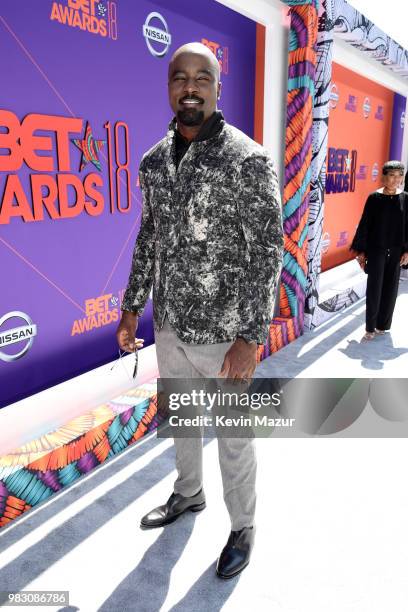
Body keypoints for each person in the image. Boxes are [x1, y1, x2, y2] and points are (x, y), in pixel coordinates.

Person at [116, 42, 283, 579]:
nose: (190, 87)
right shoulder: (153, 161)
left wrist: (251, 336)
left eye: (201, 77)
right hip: (170, 324)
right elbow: (149, 237)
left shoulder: (247, 158)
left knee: (233, 433)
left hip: (225, 331)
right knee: (182, 421)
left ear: (217, 86)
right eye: (179, 77)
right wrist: (130, 308)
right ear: (169, 87)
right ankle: (188, 494)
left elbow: (268, 250)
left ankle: (243, 527)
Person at [351, 160, 408, 341]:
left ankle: (383, 325)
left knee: (391, 289)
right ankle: (370, 327)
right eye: (391, 175)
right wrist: (361, 252)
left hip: (397, 251)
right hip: (376, 250)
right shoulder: (374, 198)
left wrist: (407, 251)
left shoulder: (405, 198)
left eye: (399, 176)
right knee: (374, 288)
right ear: (384, 176)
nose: (395, 180)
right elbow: (365, 224)